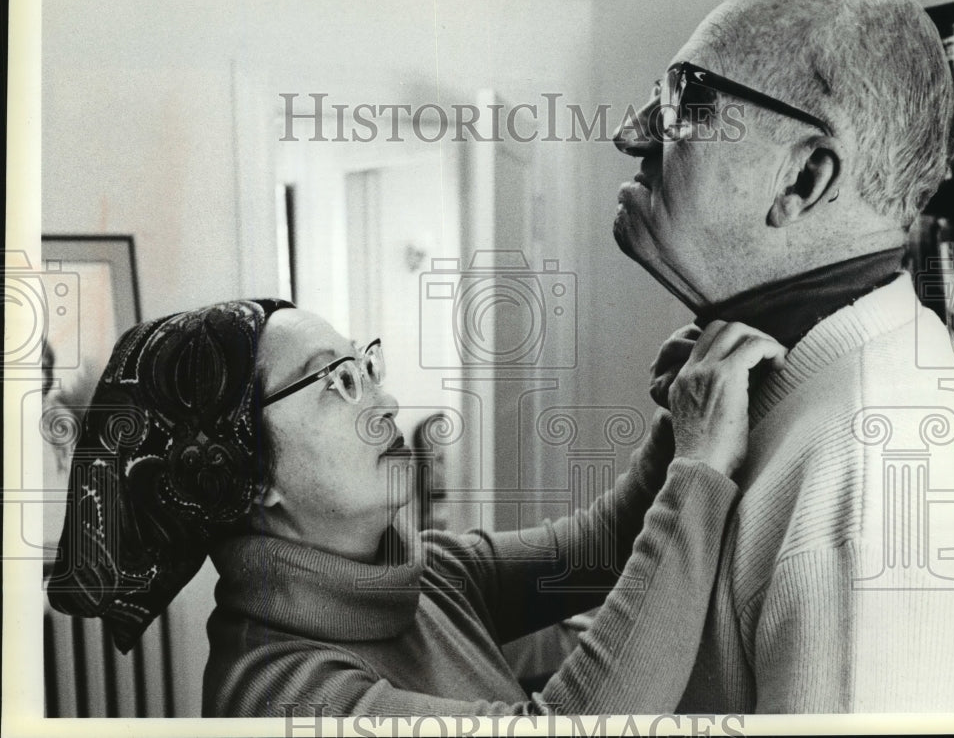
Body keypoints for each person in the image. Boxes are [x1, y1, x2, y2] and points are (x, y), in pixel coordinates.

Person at [48, 298, 787, 716]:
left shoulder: (426, 576)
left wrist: (677, 418)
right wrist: (697, 467)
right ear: (245, 476)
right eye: (335, 383)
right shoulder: (282, 695)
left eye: (365, 367)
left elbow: (599, 547)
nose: (387, 402)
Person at [612, 0, 954, 712]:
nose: (632, 131)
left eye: (687, 100)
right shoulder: (770, 381)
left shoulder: (871, 471)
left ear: (804, 177)